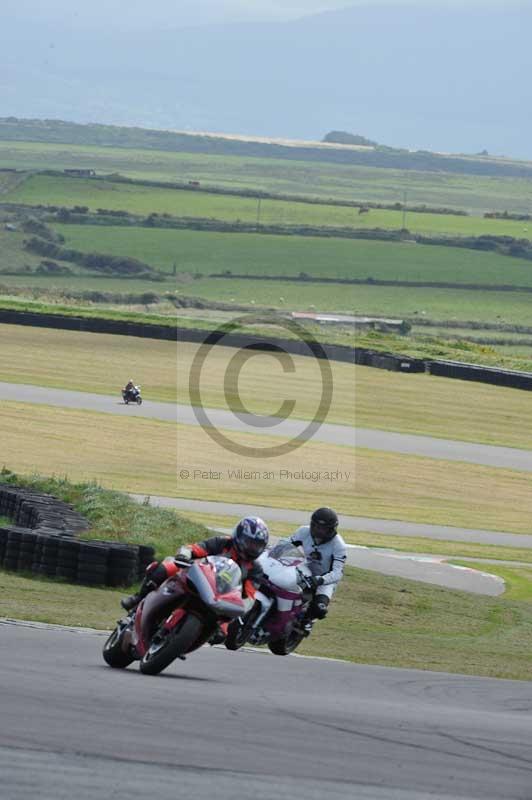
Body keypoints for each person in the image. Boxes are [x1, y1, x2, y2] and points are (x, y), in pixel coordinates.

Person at [121, 516, 269, 616]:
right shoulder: (222, 543)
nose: (252, 549)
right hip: (197, 576)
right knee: (165, 567)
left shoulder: (255, 569)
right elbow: (195, 548)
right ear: (239, 536)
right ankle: (138, 599)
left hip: (220, 597)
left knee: (223, 631)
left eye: (257, 546)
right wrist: (184, 555)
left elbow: (249, 597)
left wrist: (242, 607)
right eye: (249, 543)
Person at [289, 507, 346, 628]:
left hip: (324, 580)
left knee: (319, 609)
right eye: (316, 526)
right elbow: (287, 546)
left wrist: (321, 580)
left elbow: (338, 573)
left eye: (323, 529)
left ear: (331, 530)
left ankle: (305, 623)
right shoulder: (303, 531)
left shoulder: (339, 545)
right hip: (302, 569)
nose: (318, 531)